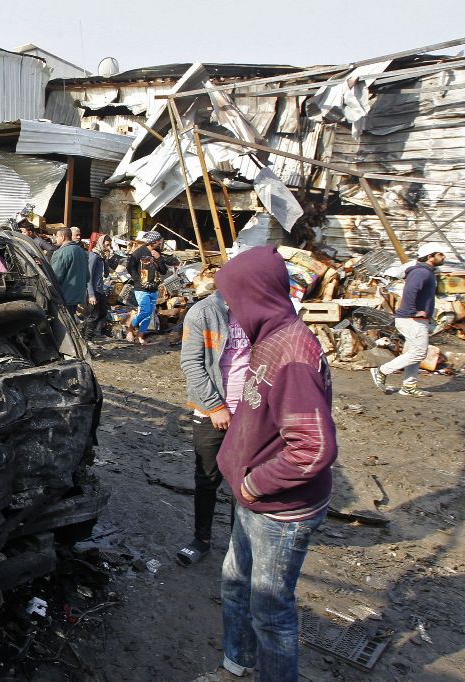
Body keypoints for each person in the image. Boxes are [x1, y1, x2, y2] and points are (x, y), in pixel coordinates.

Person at [213, 245, 337, 682]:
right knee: (234, 581)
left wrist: (253, 484)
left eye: (233, 302)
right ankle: (237, 661)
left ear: (255, 296)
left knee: (271, 610)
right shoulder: (271, 337)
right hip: (255, 499)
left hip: (280, 509)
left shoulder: (293, 357)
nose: (230, 313)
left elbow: (312, 448)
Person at [176, 284, 249, 566]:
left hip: (250, 414)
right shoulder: (203, 313)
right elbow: (191, 363)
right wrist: (216, 407)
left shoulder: (260, 311)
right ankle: (201, 539)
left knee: (242, 483)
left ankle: (238, 544)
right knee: (207, 478)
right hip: (212, 413)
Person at [370, 243, 445, 397]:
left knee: (414, 352)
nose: (443, 257)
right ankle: (382, 370)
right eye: (440, 254)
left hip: (413, 319)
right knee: (419, 353)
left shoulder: (425, 272)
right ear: (430, 256)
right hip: (412, 320)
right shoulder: (422, 272)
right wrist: (413, 311)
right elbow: (410, 291)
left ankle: (409, 386)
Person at [126, 230, 171, 345]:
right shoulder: (139, 252)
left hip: (153, 288)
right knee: (145, 311)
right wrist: (138, 279)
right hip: (141, 289)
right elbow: (130, 266)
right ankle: (130, 329)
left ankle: (140, 336)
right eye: (158, 241)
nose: (160, 243)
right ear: (152, 242)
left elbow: (163, 270)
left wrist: (159, 258)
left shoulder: (157, 252)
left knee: (148, 314)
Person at [50, 227, 88, 307]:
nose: (56, 239)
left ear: (63, 237)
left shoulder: (61, 252)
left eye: (57, 236)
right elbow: (87, 276)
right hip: (78, 295)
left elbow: (55, 276)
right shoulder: (82, 251)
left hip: (64, 296)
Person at [83, 233, 111, 341]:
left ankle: (95, 333)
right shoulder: (94, 256)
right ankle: (87, 339)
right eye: (107, 245)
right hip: (93, 290)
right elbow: (88, 276)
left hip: (100, 289)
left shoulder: (101, 257)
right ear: (101, 243)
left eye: (109, 245)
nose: (108, 248)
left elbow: (106, 274)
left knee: (103, 312)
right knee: (93, 315)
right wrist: (91, 295)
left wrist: (106, 260)